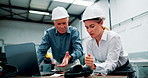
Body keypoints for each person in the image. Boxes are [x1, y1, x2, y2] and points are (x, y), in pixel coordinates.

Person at [81, 5, 135, 78]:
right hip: (103, 71)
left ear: (101, 23)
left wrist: (94, 66)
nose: (89, 31)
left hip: (123, 70)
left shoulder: (113, 37)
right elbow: (93, 63)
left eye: (92, 26)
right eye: (86, 27)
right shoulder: (89, 42)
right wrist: (89, 65)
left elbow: (111, 64)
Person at [37, 6, 83, 72]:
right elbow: (41, 51)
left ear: (68, 22)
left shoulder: (74, 31)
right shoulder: (49, 33)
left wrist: (70, 57)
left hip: (73, 65)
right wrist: (34, 65)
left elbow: (79, 50)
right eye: (59, 24)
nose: (62, 26)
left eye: (64, 23)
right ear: (54, 24)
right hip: (58, 66)